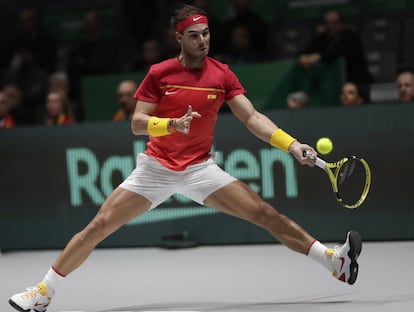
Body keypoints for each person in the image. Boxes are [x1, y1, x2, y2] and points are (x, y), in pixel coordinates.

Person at [8, 5, 362, 312]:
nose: (203, 41)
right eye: (194, 35)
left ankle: (335, 263)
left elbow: (252, 118)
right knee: (98, 226)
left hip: (200, 169)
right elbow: (137, 123)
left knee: (264, 213)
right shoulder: (160, 73)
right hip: (156, 169)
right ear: (178, 37)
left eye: (206, 33)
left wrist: (291, 144)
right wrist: (170, 125)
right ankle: (42, 293)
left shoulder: (221, 73)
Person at [297, 9, 372, 86]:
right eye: (327, 23)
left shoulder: (350, 36)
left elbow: (338, 52)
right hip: (334, 85)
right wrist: (302, 57)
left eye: (334, 23)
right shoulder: (323, 38)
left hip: (357, 83)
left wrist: (319, 56)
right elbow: (307, 50)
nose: (330, 26)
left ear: (342, 23)